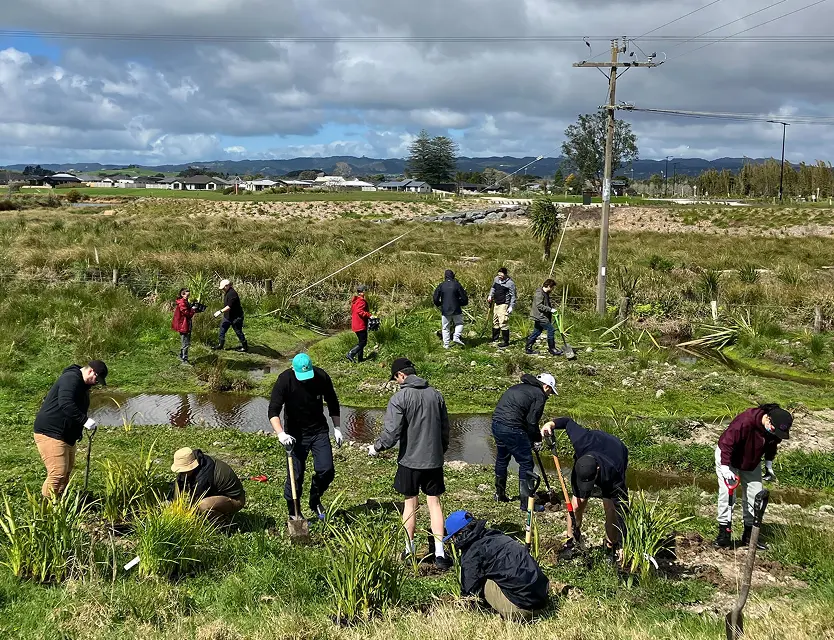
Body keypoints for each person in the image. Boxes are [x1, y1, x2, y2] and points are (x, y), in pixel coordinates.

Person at [368, 357, 452, 570]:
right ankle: (440, 554)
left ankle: (409, 549)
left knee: (410, 504)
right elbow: (445, 429)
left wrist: (376, 447)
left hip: (410, 461)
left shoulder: (400, 397)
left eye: (396, 378)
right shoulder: (436, 395)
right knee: (434, 504)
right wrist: (440, 451)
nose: (397, 382)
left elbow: (392, 432)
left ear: (401, 375)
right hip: (434, 461)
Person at [268, 353, 342, 519]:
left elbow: (332, 402)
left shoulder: (321, 376)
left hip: (318, 431)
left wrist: (337, 427)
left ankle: (314, 499)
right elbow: (273, 410)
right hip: (295, 435)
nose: (306, 380)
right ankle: (294, 512)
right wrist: (281, 433)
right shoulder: (284, 380)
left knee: (327, 470)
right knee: (296, 476)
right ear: (292, 369)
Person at [541, 417, 629, 553]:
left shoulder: (614, 473)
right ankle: (571, 541)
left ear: (597, 471)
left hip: (616, 451)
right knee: (576, 505)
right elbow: (567, 422)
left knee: (610, 508)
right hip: (590, 452)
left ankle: (611, 545)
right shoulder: (581, 440)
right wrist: (550, 424)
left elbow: (622, 507)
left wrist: (624, 543)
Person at [445, 510, 550, 621]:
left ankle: (507, 612)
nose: (453, 541)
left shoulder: (473, 552)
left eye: (452, 538)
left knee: (483, 581)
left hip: (523, 610)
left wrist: (464, 607)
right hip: (543, 600)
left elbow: (469, 591)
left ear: (459, 535)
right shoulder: (496, 535)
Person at [713, 403, 792, 550]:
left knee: (756, 496)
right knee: (727, 495)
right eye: (774, 429)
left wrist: (768, 464)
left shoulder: (775, 430)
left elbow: (772, 444)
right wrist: (725, 467)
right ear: (768, 419)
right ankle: (723, 534)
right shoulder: (746, 421)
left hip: (751, 461)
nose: (775, 433)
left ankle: (749, 536)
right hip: (728, 458)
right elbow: (726, 444)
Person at [33, 361, 108, 497]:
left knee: (66, 473)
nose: (95, 383)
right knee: (57, 474)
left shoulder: (82, 384)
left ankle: (60, 506)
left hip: (66, 435)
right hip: (51, 432)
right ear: (91, 371)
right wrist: (84, 420)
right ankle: (45, 511)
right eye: (96, 380)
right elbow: (66, 403)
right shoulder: (71, 379)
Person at [491, 372, 557, 511]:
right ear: (546, 387)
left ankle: (499, 494)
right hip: (512, 428)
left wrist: (530, 437)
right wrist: (537, 439)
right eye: (550, 391)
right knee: (526, 463)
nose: (549, 395)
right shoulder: (539, 395)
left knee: (502, 458)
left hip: (497, 424)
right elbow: (532, 421)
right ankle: (526, 504)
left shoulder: (520, 387)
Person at [170, 447, 246, 525]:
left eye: (183, 471)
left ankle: (223, 526)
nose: (181, 473)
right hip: (216, 494)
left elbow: (196, 503)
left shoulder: (203, 476)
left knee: (203, 505)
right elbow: (179, 484)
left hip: (235, 499)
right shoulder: (199, 461)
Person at [432, 269, 469, 349]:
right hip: (456, 308)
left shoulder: (441, 285)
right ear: (453, 276)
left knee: (445, 327)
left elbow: (435, 298)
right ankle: (456, 336)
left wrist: (439, 304)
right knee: (459, 323)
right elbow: (464, 297)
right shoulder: (457, 284)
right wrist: (462, 303)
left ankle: (446, 345)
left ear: (445, 276)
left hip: (445, 309)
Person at [525, 279, 562, 356]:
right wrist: (550, 309)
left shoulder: (545, 293)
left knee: (537, 332)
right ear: (548, 286)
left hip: (541, 316)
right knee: (551, 330)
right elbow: (539, 305)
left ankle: (528, 348)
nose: (552, 289)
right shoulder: (539, 294)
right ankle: (552, 349)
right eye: (552, 288)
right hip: (540, 316)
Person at [213, 279, 248, 353]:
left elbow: (229, 306)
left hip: (236, 317)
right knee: (222, 330)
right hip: (227, 317)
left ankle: (245, 347)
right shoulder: (227, 292)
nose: (222, 289)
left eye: (223, 288)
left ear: (227, 286)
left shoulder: (232, 294)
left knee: (238, 332)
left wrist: (220, 311)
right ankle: (220, 345)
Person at [487, 267, 517, 349]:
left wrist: (511, 306)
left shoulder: (510, 283)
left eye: (501, 274)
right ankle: (495, 338)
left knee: (503, 322)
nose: (499, 275)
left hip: (504, 304)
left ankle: (505, 341)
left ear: (505, 274)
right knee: (495, 321)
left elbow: (513, 296)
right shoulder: (496, 279)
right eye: (498, 273)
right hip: (496, 303)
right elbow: (493, 288)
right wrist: (490, 295)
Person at [347, 284, 372, 363]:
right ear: (362, 292)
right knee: (363, 342)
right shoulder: (361, 301)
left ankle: (360, 358)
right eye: (366, 291)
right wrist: (369, 316)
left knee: (361, 341)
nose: (367, 292)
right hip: (360, 324)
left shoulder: (355, 301)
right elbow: (359, 311)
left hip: (355, 324)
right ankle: (351, 353)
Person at [172, 287, 197, 364]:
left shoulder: (184, 301)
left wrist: (192, 306)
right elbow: (187, 314)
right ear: (182, 294)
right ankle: (184, 360)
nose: (188, 297)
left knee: (185, 341)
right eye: (187, 295)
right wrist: (193, 310)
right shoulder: (182, 303)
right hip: (184, 324)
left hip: (185, 323)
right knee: (186, 343)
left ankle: (181, 355)